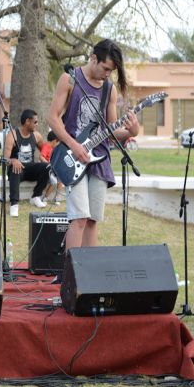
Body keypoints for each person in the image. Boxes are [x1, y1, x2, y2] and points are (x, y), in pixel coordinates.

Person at [47, 39, 139, 256]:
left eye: (112, 70)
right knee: (78, 218)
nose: (108, 74)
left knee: (91, 220)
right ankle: (71, 275)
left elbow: (111, 130)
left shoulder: (109, 89)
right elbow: (52, 118)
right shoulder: (70, 79)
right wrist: (74, 145)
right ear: (93, 58)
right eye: (105, 68)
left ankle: (89, 279)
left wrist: (132, 132)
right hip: (73, 156)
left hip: (99, 159)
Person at [3, 109, 50, 217]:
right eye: (35, 122)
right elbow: (5, 159)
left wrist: (47, 158)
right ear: (27, 121)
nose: (37, 125)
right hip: (17, 171)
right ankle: (14, 204)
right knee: (16, 168)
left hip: (31, 169)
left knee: (47, 166)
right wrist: (13, 160)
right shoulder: (12, 135)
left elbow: (46, 151)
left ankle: (36, 197)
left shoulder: (37, 136)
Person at [40, 130, 64, 203]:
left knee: (61, 180)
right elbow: (41, 157)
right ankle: (46, 197)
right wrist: (48, 164)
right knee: (55, 181)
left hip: (54, 169)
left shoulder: (55, 149)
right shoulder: (47, 146)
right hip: (47, 168)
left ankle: (57, 197)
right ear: (54, 141)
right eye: (58, 142)